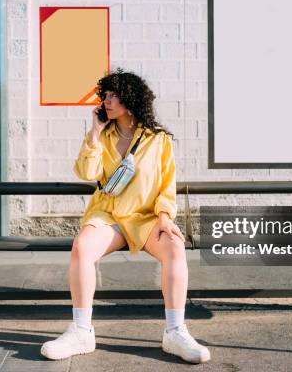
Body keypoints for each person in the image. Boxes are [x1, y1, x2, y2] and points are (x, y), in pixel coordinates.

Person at [40, 68, 210, 364]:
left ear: (130, 98)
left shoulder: (158, 140)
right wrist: (94, 133)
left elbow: (166, 185)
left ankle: (175, 332)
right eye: (104, 95)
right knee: (82, 247)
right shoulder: (102, 136)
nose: (106, 100)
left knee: (174, 248)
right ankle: (81, 331)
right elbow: (86, 173)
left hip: (146, 218)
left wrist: (165, 217)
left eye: (113, 95)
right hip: (109, 216)